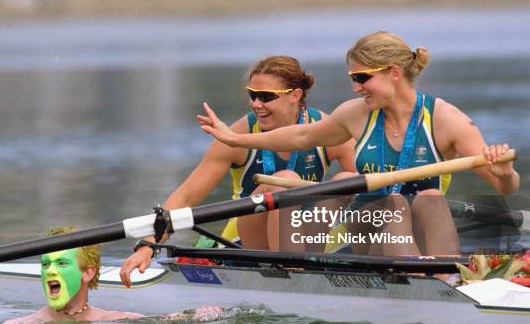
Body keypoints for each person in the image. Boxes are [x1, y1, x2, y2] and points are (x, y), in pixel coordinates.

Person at [198, 32, 520, 257]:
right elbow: (301, 136)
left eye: (362, 78)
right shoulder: (355, 115)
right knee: (378, 197)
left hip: (424, 235)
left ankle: (439, 278)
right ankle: (298, 265)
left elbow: (505, 187)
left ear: (394, 73)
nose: (355, 88)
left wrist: (504, 172)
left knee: (430, 197)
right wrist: (236, 138)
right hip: (369, 232)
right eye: (353, 78)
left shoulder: (447, 120)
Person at [120, 55, 356, 287]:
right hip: (244, 242)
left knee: (351, 180)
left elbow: (376, 186)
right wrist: (148, 245)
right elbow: (185, 197)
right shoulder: (237, 135)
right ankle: (294, 276)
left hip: (307, 234)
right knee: (284, 181)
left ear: (295, 95)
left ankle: (379, 265)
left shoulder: (325, 129)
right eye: (252, 95)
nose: (256, 104)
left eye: (266, 97)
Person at [5, 228, 220, 324]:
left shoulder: (109, 320)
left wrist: (197, 316)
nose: (51, 271)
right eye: (45, 264)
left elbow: (163, 322)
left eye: (61, 264)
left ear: (88, 272)